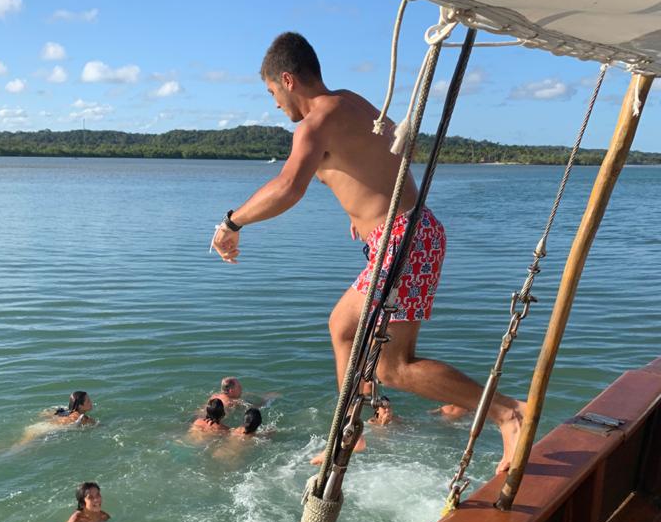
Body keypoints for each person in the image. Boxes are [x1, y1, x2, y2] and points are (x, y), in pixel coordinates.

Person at [210, 32, 525, 473]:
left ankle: (508, 413)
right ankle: (349, 432)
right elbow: (391, 150)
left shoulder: (314, 123)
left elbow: (287, 188)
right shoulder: (352, 102)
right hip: (408, 232)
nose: (275, 104)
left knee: (394, 368)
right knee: (342, 326)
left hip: (402, 239)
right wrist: (365, 211)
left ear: (287, 80)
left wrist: (232, 223)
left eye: (271, 92)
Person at [45, 482, 110, 522]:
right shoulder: (77, 519)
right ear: (82, 503)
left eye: (98, 495)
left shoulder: (104, 516)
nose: (96, 499)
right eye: (90, 497)